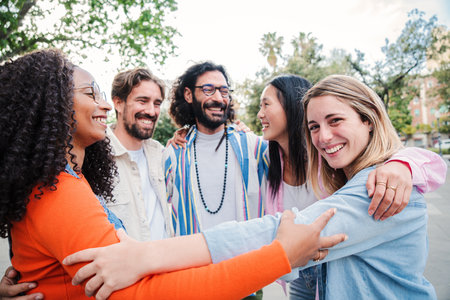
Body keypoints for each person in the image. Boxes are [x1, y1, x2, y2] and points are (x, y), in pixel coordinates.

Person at [0, 49, 346, 299]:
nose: (103, 104)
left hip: (228, 275)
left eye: (224, 90)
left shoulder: (237, 148)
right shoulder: (60, 188)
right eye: (92, 94)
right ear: (51, 104)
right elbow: (137, 291)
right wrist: (280, 256)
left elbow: (315, 149)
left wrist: (399, 162)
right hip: (195, 280)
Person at [64, 75, 446, 299]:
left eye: (335, 121)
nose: (323, 136)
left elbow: (271, 231)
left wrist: (405, 162)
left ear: (369, 121)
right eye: (314, 127)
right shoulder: (267, 158)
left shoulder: (380, 189)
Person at [257, 74, 446, 299]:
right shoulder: (272, 159)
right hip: (308, 271)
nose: (259, 114)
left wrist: (402, 164)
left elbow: (432, 165)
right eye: (314, 126)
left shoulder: (344, 167)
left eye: (266, 104)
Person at [164, 61, 269, 236]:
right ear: (189, 95)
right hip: (196, 261)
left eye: (224, 91)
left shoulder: (253, 146)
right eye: (208, 89)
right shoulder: (174, 154)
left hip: (248, 260)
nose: (219, 99)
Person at [106, 68, 173, 241]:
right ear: (118, 103)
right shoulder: (95, 157)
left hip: (168, 264)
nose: (151, 112)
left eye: (157, 103)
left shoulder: (161, 154)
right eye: (142, 101)